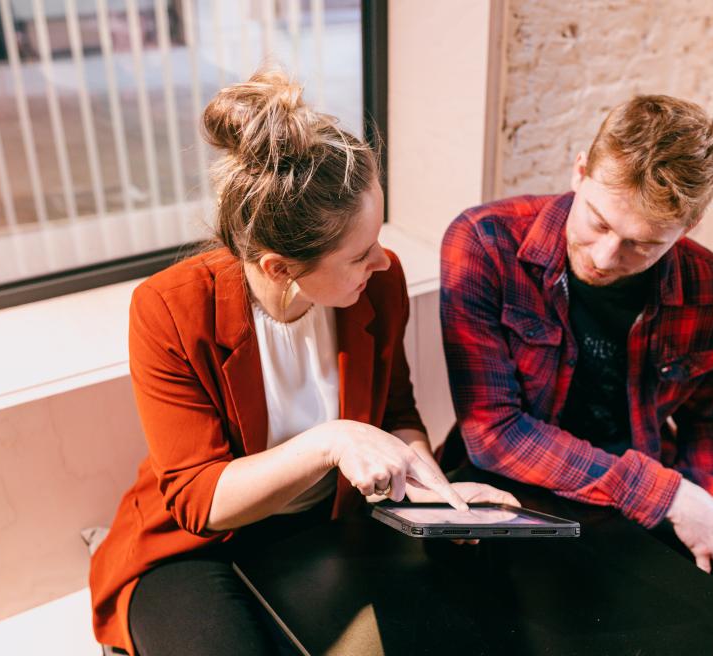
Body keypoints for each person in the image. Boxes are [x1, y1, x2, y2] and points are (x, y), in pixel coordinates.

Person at [89, 69, 517, 656]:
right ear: (279, 268)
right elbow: (197, 499)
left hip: (333, 525)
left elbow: (396, 413)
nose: (385, 265)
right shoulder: (169, 309)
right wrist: (330, 441)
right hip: (195, 545)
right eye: (360, 254)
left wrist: (440, 497)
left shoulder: (377, 290)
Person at [440, 95, 713, 655]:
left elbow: (709, 422)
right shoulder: (484, 242)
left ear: (689, 224)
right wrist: (675, 500)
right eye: (596, 221)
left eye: (643, 244)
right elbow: (495, 433)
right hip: (514, 492)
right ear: (579, 170)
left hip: (650, 494)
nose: (604, 255)